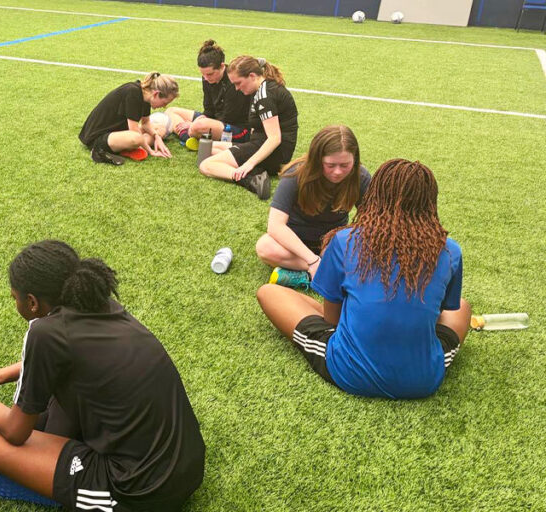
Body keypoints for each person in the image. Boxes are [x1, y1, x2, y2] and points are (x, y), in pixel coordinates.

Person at [0, 240, 205, 510]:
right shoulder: (101, 305)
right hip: (188, 467)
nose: (16, 304)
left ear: (31, 302)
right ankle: (54, 469)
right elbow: (64, 361)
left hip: (138, 491)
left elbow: (14, 431)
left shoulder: (44, 333)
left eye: (15, 298)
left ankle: (60, 491)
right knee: (52, 407)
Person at [256, 159, 471, 399]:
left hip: (349, 372)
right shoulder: (450, 251)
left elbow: (331, 320)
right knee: (462, 307)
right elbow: (440, 314)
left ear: (375, 194)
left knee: (269, 292)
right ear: (430, 202)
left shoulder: (345, 241)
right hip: (423, 379)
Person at [258, 125, 370, 288]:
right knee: (265, 247)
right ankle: (323, 272)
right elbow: (275, 226)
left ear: (355, 160)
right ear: (317, 160)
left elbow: (373, 221)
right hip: (294, 243)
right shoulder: (296, 173)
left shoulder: (360, 176)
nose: (338, 172)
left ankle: (306, 276)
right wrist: (312, 261)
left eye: (345, 165)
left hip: (332, 242)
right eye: (330, 165)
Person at [199, 55, 298, 200]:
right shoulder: (261, 88)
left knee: (206, 165)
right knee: (210, 148)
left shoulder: (265, 97)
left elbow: (275, 138)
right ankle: (260, 170)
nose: (237, 88)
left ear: (252, 76)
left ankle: (250, 179)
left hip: (274, 151)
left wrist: (248, 164)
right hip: (262, 145)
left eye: (238, 83)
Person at [165, 39, 251, 150]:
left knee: (198, 126)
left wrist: (194, 124)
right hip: (215, 120)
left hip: (235, 127)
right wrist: (203, 117)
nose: (206, 78)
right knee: (171, 111)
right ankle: (188, 137)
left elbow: (228, 118)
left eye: (210, 74)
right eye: (203, 74)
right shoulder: (206, 78)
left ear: (222, 66)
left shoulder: (233, 82)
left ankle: (191, 135)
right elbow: (209, 109)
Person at [78, 72, 180, 165]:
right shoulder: (133, 92)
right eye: (165, 102)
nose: (164, 106)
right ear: (156, 94)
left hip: (117, 132)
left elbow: (146, 123)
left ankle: (125, 148)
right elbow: (134, 132)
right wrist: (151, 151)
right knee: (137, 138)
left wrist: (157, 138)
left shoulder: (146, 96)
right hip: (97, 138)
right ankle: (115, 148)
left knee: (159, 129)